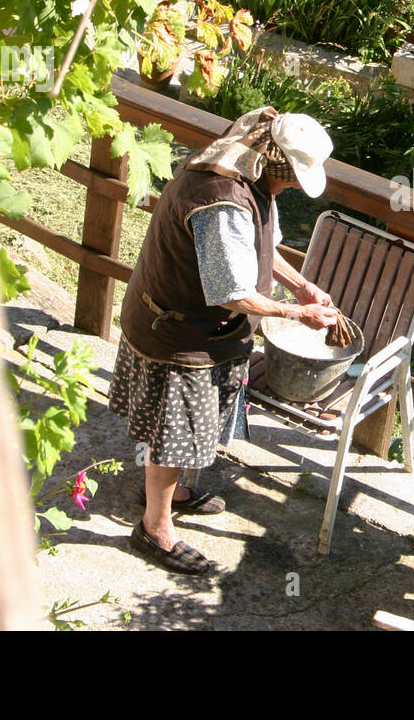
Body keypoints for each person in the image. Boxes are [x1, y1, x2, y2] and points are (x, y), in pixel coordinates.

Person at [111, 106, 339, 575]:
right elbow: (231, 291)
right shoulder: (222, 201)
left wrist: (299, 284)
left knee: (180, 431)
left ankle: (172, 493)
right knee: (174, 436)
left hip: (186, 321)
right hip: (178, 331)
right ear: (277, 163)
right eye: (295, 175)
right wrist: (299, 312)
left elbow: (257, 248)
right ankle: (155, 528)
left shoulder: (241, 167)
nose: (296, 184)